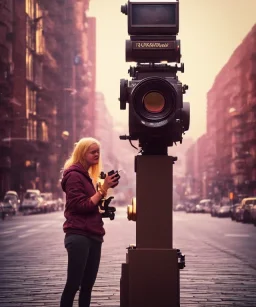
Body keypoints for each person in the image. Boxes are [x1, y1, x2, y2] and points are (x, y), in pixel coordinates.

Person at [60, 137, 120, 307]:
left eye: (98, 152)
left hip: (93, 235)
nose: (96, 155)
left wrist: (103, 203)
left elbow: (91, 206)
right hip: (79, 235)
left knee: (87, 287)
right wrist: (103, 188)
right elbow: (81, 206)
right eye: (92, 152)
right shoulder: (73, 176)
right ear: (81, 153)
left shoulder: (86, 176)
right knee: (73, 285)